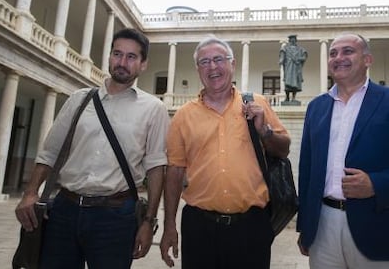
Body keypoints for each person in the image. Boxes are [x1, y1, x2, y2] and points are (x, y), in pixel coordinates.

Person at [15, 28, 169, 269]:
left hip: (116, 216)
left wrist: (148, 222)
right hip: (65, 209)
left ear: (143, 64)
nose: (122, 62)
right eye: (117, 54)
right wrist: (30, 192)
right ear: (109, 57)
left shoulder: (153, 108)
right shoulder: (79, 99)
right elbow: (50, 151)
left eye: (131, 57)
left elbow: (156, 168)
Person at [160, 36, 291, 268]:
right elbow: (174, 172)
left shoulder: (257, 104)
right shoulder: (183, 116)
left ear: (233, 63)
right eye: (205, 61)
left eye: (219, 59)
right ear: (198, 69)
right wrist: (169, 225)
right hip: (199, 226)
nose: (212, 67)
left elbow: (283, 149)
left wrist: (265, 131)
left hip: (251, 227)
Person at [297, 33, 389, 268]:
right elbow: (306, 170)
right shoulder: (316, 107)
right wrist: (305, 227)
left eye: (348, 51)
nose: (339, 58)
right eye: (333, 53)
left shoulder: (386, 101)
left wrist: (376, 184)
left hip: (377, 225)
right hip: (323, 225)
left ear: (367, 59)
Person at [279, 35, 308, 102]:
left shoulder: (300, 49)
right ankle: (287, 97)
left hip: (296, 68)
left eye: (294, 39)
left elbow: (304, 57)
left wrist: (299, 59)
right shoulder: (285, 48)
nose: (293, 41)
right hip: (288, 67)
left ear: (296, 40)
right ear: (289, 41)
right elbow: (282, 56)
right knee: (287, 82)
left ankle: (294, 98)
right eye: (291, 39)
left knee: (295, 83)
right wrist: (281, 60)